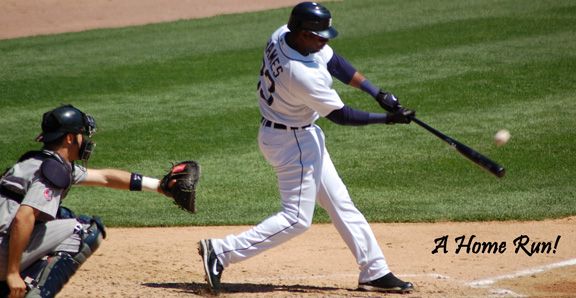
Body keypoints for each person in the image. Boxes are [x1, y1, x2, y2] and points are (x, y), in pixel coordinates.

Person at [198, 1, 415, 294]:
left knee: (340, 202)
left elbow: (334, 61)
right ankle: (222, 251)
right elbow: (341, 115)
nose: (324, 39)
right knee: (297, 219)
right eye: (319, 35)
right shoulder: (299, 73)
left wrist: (376, 92)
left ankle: (374, 271)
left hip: (292, 134)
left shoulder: (283, 35)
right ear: (302, 33)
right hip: (293, 143)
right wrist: (387, 119)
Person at [0, 104, 169, 298]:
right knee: (85, 230)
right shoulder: (52, 172)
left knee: (62, 216)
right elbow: (24, 217)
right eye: (82, 134)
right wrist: (12, 273)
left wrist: (159, 186)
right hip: (2, 256)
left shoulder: (37, 162)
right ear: (70, 138)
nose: (85, 140)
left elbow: (105, 177)